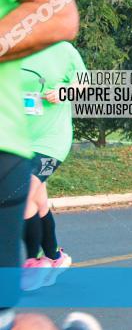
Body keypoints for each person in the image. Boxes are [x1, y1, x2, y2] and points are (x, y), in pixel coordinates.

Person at [0, 0, 80, 328]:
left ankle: (44, 256)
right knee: (36, 193)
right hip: (28, 135)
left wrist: (60, 94)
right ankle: (46, 255)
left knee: (34, 191)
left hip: (38, 135)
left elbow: (58, 15)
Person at [19, 42, 86, 291]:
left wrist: (65, 92)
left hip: (51, 141)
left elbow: (84, 86)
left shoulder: (64, 50)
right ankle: (56, 257)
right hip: (19, 140)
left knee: (24, 192)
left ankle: (33, 261)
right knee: (39, 200)